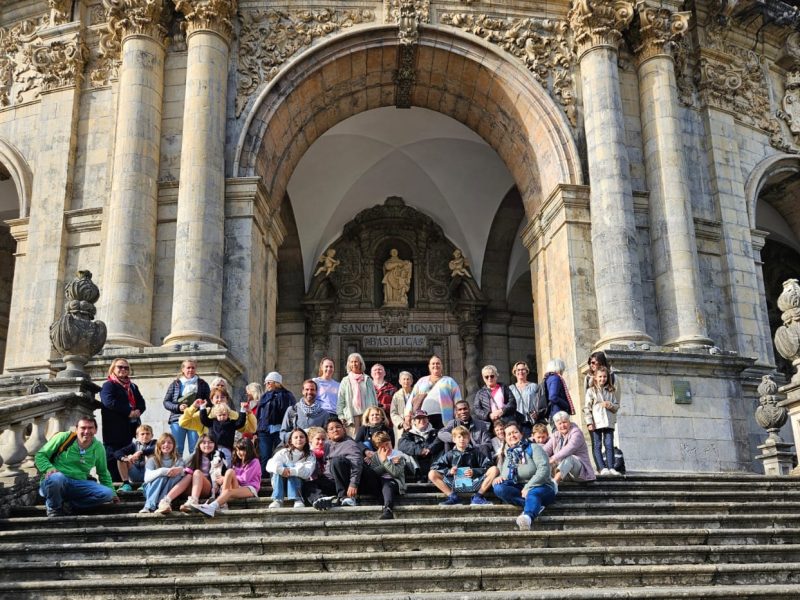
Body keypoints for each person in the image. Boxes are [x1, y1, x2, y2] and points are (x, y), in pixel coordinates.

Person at [35, 416, 118, 517]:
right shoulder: (64, 437)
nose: (86, 431)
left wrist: (113, 493)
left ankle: (70, 506)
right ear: (76, 429)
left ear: (95, 430)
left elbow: (103, 472)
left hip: (78, 484)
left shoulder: (98, 447)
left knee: (107, 493)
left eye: (90, 428)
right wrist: (49, 468)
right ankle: (54, 508)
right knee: (57, 478)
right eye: (83, 428)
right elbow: (40, 455)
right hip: (55, 482)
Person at [492, 421, 558, 531]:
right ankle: (535, 504)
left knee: (533, 492)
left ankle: (528, 517)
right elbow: (506, 475)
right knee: (499, 488)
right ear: (505, 438)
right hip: (521, 488)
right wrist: (500, 477)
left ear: (521, 434)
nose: (512, 436)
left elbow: (544, 469)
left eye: (515, 432)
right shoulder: (509, 453)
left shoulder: (534, 448)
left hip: (542, 486)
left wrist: (529, 486)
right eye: (509, 434)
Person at [100, 358, 146, 480]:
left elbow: (141, 403)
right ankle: (115, 484)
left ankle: (126, 482)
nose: (123, 369)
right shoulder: (108, 385)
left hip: (130, 429)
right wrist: (128, 412)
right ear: (113, 369)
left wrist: (138, 411)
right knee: (113, 457)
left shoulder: (133, 387)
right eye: (120, 367)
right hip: (114, 429)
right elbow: (109, 402)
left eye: (126, 368)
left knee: (127, 456)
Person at [304, 418, 365, 509]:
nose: (335, 430)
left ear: (343, 429)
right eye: (331, 429)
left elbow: (356, 465)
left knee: (336, 461)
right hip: (330, 481)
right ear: (328, 434)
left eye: (338, 427)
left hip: (346, 483)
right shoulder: (326, 444)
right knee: (308, 484)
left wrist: (353, 484)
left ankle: (344, 497)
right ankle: (321, 500)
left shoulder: (350, 444)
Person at [429, 426, 498, 506]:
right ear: (454, 439)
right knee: (432, 473)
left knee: (494, 469)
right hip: (455, 484)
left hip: (474, 483)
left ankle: (478, 497)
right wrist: (449, 471)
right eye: (459, 437)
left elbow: (488, 465)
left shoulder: (476, 452)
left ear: (468, 439)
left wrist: (475, 471)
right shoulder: (450, 454)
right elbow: (435, 466)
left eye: (465, 437)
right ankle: (453, 497)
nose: (462, 439)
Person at [196, 438, 262, 517]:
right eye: (237, 450)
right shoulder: (238, 462)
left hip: (250, 488)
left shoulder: (255, 461)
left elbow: (245, 480)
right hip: (238, 486)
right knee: (229, 471)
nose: (239, 453)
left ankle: (213, 506)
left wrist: (224, 479)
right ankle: (222, 503)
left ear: (249, 450)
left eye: (241, 450)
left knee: (228, 491)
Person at [162, 359, 210, 457]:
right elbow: (166, 402)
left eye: (193, 368)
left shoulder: (202, 384)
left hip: (195, 419)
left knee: (195, 447)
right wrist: (178, 407)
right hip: (178, 419)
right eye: (188, 367)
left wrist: (203, 404)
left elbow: (209, 400)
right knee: (177, 448)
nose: (190, 370)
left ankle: (193, 470)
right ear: (183, 369)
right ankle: (177, 470)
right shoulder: (175, 384)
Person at [256, 371, 296, 475]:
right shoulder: (264, 396)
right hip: (264, 430)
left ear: (276, 382)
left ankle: (277, 478)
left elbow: (290, 412)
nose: (266, 385)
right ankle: (263, 477)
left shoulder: (287, 395)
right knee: (265, 454)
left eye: (269, 382)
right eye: (266, 383)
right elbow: (259, 413)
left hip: (280, 429)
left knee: (279, 454)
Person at [585, 366, 621, 476]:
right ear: (595, 378)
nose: (602, 379)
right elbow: (587, 407)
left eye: (605, 377)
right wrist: (589, 422)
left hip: (608, 422)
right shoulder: (591, 391)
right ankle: (601, 467)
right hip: (596, 422)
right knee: (597, 445)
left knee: (609, 444)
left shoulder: (611, 390)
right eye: (600, 377)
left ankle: (611, 467)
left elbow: (616, 406)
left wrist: (609, 405)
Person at [408, 355, 462, 429]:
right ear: (429, 366)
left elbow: (458, 400)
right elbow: (411, 398)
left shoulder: (449, 381)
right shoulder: (422, 381)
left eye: (438, 363)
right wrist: (407, 415)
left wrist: (458, 415)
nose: (435, 365)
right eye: (433, 363)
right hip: (424, 418)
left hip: (444, 418)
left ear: (442, 366)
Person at [267, 428, 316, 509]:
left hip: (300, 487)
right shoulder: (284, 452)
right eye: (295, 437)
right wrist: (282, 470)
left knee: (291, 466)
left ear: (306, 440)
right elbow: (270, 465)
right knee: (279, 467)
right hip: (281, 485)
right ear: (290, 441)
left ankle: (297, 499)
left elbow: (307, 473)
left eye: (301, 437)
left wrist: (291, 470)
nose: (299, 439)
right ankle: (277, 500)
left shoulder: (310, 454)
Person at [543, 411, 596, 484]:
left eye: (564, 422)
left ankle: (554, 484)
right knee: (543, 458)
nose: (562, 425)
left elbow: (569, 449)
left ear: (569, 422)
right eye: (559, 423)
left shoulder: (576, 432)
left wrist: (553, 458)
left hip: (580, 473)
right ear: (556, 425)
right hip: (564, 473)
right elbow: (545, 450)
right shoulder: (555, 435)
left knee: (570, 458)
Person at [174, 434, 223, 512]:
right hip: (190, 487)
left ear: (214, 444)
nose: (207, 445)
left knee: (197, 472)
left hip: (207, 488)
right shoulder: (192, 457)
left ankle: (193, 501)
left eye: (210, 442)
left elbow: (222, 473)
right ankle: (167, 500)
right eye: (204, 442)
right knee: (189, 475)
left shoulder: (218, 457)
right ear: (199, 444)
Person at [198, 389, 249, 463]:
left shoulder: (231, 423)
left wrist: (243, 410)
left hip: (226, 447)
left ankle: (226, 472)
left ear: (228, 414)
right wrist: (202, 407)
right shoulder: (212, 422)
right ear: (216, 415)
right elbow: (204, 419)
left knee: (227, 461)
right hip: (214, 447)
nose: (222, 417)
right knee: (212, 462)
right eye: (219, 415)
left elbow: (240, 422)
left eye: (224, 415)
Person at [140, 433, 185, 514]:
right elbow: (146, 478)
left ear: (174, 445)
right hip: (151, 489)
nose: (166, 444)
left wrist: (180, 470)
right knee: (162, 477)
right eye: (163, 442)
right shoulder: (152, 459)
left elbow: (183, 475)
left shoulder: (178, 460)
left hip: (169, 490)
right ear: (159, 445)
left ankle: (161, 503)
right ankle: (149, 506)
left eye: (169, 442)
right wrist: (162, 471)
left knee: (177, 476)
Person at [365, 431, 406, 520]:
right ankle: (382, 501)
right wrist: (387, 462)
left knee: (388, 484)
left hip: (395, 482)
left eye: (388, 444)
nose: (387, 448)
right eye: (383, 447)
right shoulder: (375, 456)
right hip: (380, 482)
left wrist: (385, 461)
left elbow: (396, 473)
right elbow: (374, 472)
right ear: (378, 447)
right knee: (368, 473)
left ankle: (388, 510)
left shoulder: (399, 455)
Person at [337, 352, 378, 436]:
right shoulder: (345, 380)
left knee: (368, 439)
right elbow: (341, 399)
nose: (354, 364)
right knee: (354, 439)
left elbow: (374, 398)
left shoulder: (368, 379)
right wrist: (340, 415)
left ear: (360, 363)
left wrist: (375, 412)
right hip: (352, 416)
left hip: (367, 416)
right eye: (351, 362)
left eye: (356, 361)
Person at [398, 410, 441, 478]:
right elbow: (402, 444)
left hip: (433, 461)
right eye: (418, 418)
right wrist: (420, 450)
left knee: (442, 449)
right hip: (417, 462)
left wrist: (429, 449)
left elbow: (439, 441)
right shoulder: (408, 434)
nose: (422, 420)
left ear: (428, 420)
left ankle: (434, 473)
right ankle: (418, 475)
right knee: (403, 452)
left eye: (424, 418)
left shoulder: (436, 432)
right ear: (414, 421)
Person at [114, 423, 155, 492]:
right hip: (135, 472)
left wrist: (141, 452)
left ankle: (146, 484)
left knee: (151, 456)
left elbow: (155, 449)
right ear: (137, 436)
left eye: (147, 434)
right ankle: (126, 484)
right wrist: (125, 459)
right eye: (142, 434)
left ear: (152, 436)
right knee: (121, 459)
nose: (145, 436)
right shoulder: (134, 445)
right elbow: (117, 453)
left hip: (148, 474)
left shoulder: (155, 443)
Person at [509, 361, 541, 436]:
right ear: (514, 372)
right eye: (518, 370)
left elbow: (540, 402)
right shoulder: (510, 388)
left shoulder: (534, 386)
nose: (521, 372)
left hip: (531, 421)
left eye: (523, 369)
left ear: (527, 371)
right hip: (516, 422)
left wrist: (537, 413)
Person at [389, 371, 413, 442]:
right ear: (400, 381)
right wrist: (402, 423)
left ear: (412, 381)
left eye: (408, 379)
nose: (406, 381)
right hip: (401, 427)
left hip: (414, 425)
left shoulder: (416, 394)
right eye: (404, 379)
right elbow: (393, 412)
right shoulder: (396, 395)